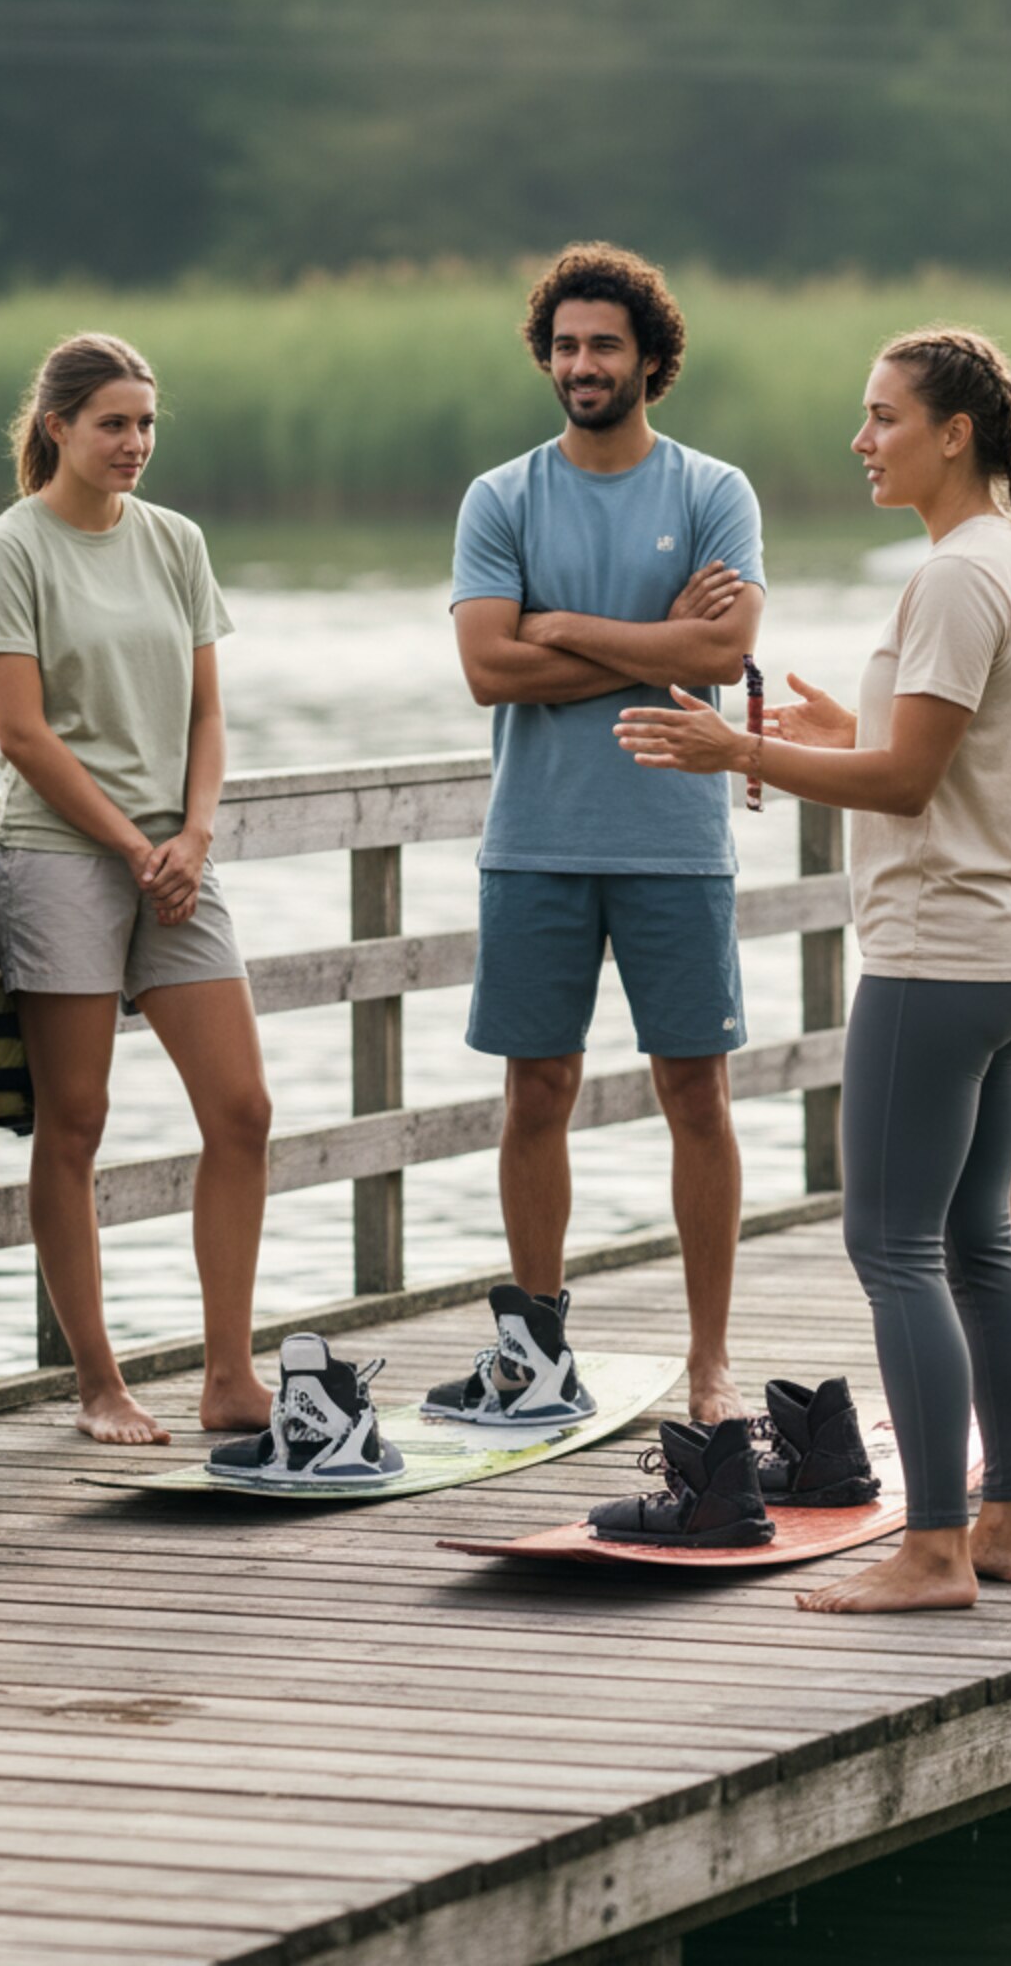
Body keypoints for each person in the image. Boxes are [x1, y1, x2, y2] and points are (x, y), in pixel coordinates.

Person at [614, 327, 1011, 1614]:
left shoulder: (951, 577)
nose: (859, 438)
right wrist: (836, 728)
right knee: (975, 1243)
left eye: (881, 418)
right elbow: (938, 751)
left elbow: (907, 780)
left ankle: (933, 1547)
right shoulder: (1001, 561)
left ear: (955, 434)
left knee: (891, 1247)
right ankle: (1009, 1528)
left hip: (938, 959)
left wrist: (739, 756)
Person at [443, 241, 765, 1428]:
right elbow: (485, 668)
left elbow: (722, 657)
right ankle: (533, 1351)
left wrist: (565, 627)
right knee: (537, 1092)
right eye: (565, 345)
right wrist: (647, 640)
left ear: (649, 360)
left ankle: (711, 1359)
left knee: (697, 1093)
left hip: (675, 841)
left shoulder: (710, 491)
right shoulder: (502, 495)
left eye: (603, 346)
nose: (581, 364)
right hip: (534, 839)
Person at [0, 333, 273, 1448]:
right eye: (112, 424)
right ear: (56, 427)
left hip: (176, 862)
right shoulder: (10, 548)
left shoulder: (175, 541)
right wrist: (131, 848)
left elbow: (205, 713)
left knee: (241, 1108)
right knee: (76, 1121)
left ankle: (229, 1374)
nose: (134, 443)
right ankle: (99, 1382)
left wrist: (190, 834)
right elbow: (20, 733)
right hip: (58, 855)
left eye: (145, 424)